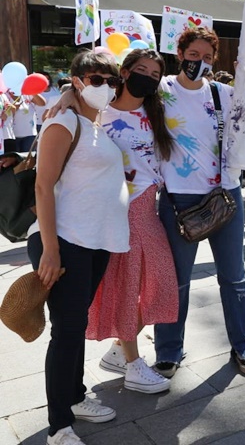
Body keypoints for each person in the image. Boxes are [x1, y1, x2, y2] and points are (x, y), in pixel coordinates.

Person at [28, 51, 129, 445]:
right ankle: (58, 427)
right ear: (76, 80)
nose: (104, 85)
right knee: (67, 331)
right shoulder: (64, 120)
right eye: (95, 77)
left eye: (111, 79)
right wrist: (50, 250)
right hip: (65, 240)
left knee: (76, 325)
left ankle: (74, 396)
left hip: (94, 240)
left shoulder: (96, 123)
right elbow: (42, 186)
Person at [153, 27, 245, 378]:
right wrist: (64, 98)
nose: (199, 63)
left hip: (225, 196)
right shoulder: (161, 90)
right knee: (176, 280)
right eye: (194, 55)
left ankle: (243, 346)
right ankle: (169, 351)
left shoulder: (224, 94)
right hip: (179, 199)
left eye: (208, 58)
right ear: (179, 52)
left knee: (234, 278)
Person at [87, 49, 178, 394]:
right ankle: (133, 365)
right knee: (131, 284)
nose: (148, 78)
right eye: (141, 70)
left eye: (155, 75)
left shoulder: (156, 111)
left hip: (147, 204)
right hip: (115, 207)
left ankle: (120, 350)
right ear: (124, 72)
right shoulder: (98, 110)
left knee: (157, 283)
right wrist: (66, 94)